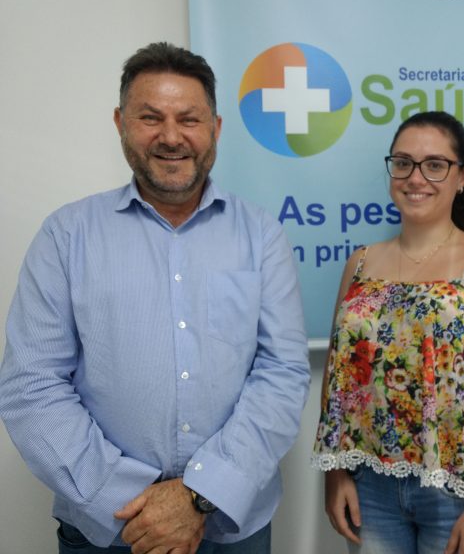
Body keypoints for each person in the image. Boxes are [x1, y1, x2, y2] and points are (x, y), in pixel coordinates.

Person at [0, 42, 310, 554]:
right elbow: (32, 384)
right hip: (109, 528)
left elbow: (282, 373)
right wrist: (136, 502)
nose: (170, 136)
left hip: (231, 527)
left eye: (189, 119)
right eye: (150, 118)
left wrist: (199, 496)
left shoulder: (262, 235)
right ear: (120, 123)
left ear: (216, 127)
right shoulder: (65, 235)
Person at [311, 111, 464, 554]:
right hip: (370, 485)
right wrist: (334, 473)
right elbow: (341, 379)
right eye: (403, 163)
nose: (416, 178)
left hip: (460, 491)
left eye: (435, 165)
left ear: (462, 176)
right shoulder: (359, 264)